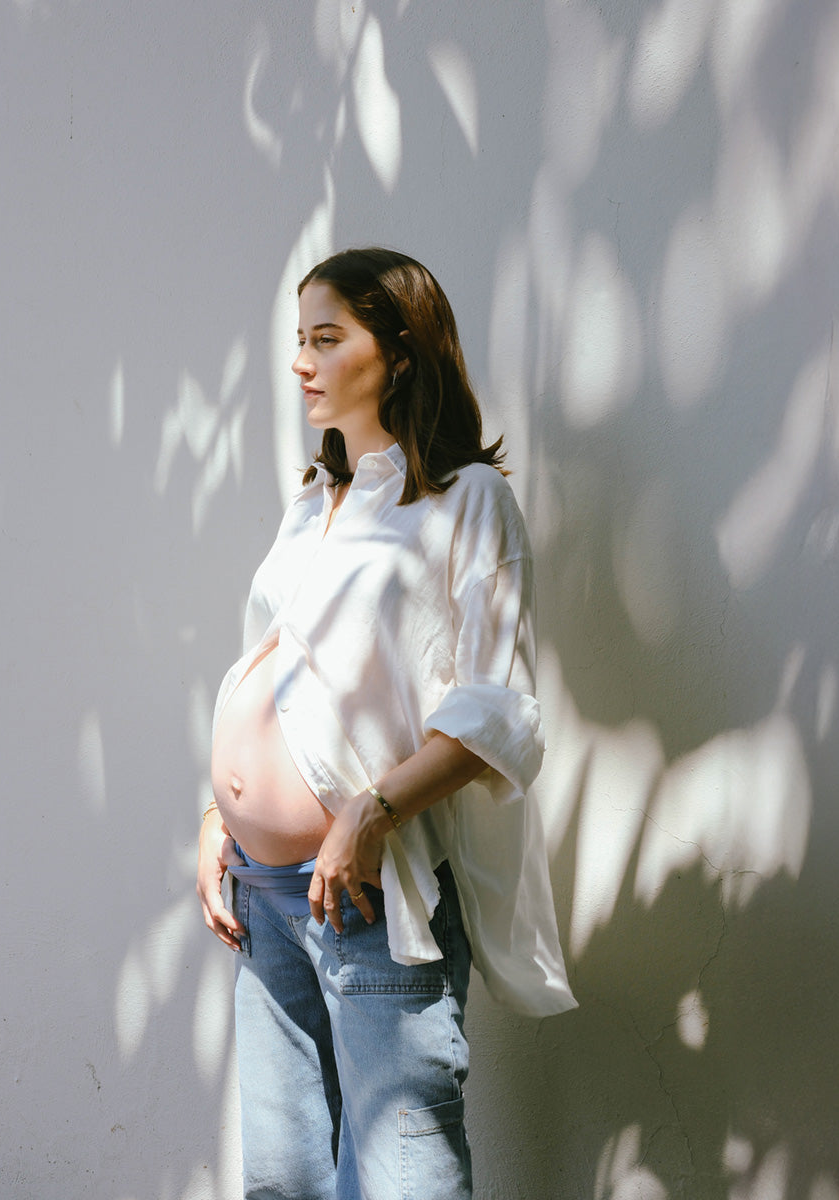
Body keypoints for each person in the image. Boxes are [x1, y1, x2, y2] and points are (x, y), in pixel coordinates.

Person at [197, 247, 575, 1200]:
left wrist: (370, 813)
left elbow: (497, 710)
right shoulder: (315, 500)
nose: (303, 363)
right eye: (299, 341)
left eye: (329, 338)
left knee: (404, 1177)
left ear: (401, 353)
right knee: (283, 1182)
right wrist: (220, 815)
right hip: (263, 899)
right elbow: (275, 671)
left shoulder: (467, 501)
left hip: (366, 896)